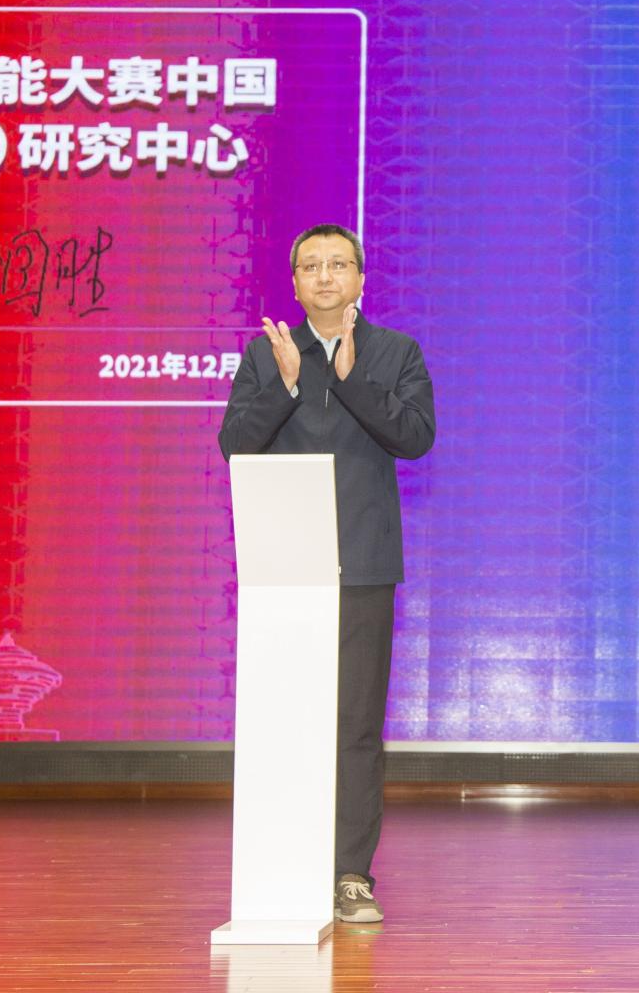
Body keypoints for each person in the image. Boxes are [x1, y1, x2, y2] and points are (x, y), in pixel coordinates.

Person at [218, 224, 436, 925]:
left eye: (337, 264)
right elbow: (235, 443)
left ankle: (349, 874)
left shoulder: (394, 352)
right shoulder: (267, 354)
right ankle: (286, 863)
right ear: (295, 282)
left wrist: (349, 379)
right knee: (286, 719)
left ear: (360, 279)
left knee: (355, 727)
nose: (324, 276)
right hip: (284, 568)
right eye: (310, 265)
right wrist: (285, 385)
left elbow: (414, 437)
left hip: (363, 565)